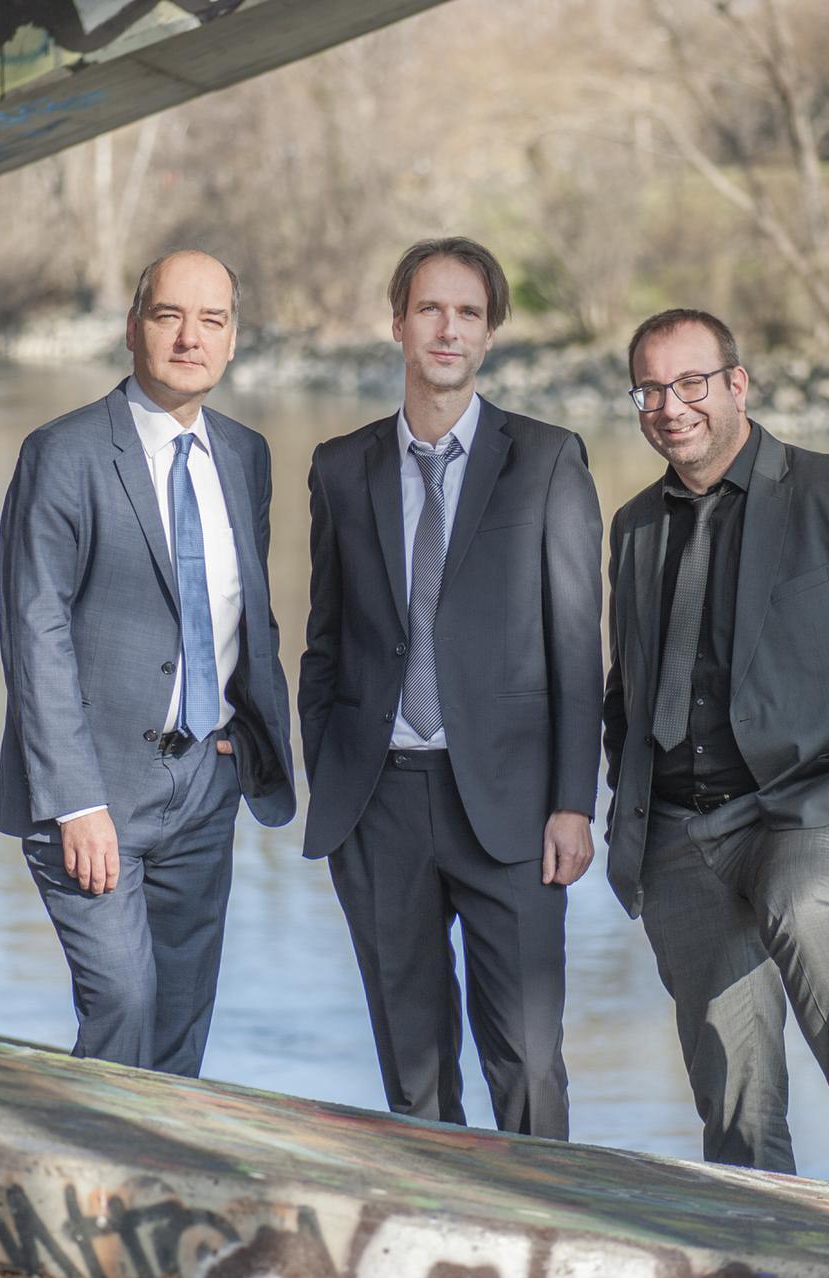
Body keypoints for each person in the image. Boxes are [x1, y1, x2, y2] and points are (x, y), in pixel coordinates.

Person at [601, 308, 829, 1191]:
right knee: (737, 1108)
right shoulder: (634, 526)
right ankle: (765, 1239)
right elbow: (629, 685)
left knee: (803, 901)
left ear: (738, 385)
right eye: (650, 390)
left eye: (690, 382)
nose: (671, 406)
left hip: (817, 801)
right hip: (679, 833)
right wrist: (630, 801)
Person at [298, 237, 603, 1139]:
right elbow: (325, 643)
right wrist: (332, 774)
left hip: (511, 809)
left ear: (490, 334)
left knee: (529, 1065)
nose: (447, 328)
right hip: (378, 804)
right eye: (429, 308)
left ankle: (547, 1219)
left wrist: (573, 804)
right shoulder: (340, 468)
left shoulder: (546, 460)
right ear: (398, 324)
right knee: (415, 1074)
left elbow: (577, 648)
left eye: (468, 312)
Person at [0, 249, 295, 1077]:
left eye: (212, 321)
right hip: (96, 794)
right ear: (133, 329)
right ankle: (85, 1161)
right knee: (122, 1006)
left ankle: (150, 1165)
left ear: (233, 340)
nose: (190, 338)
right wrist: (76, 802)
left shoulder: (246, 456)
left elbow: (245, 615)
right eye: (169, 316)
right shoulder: (64, 454)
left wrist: (239, 744)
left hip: (204, 784)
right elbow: (35, 632)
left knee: (179, 1036)